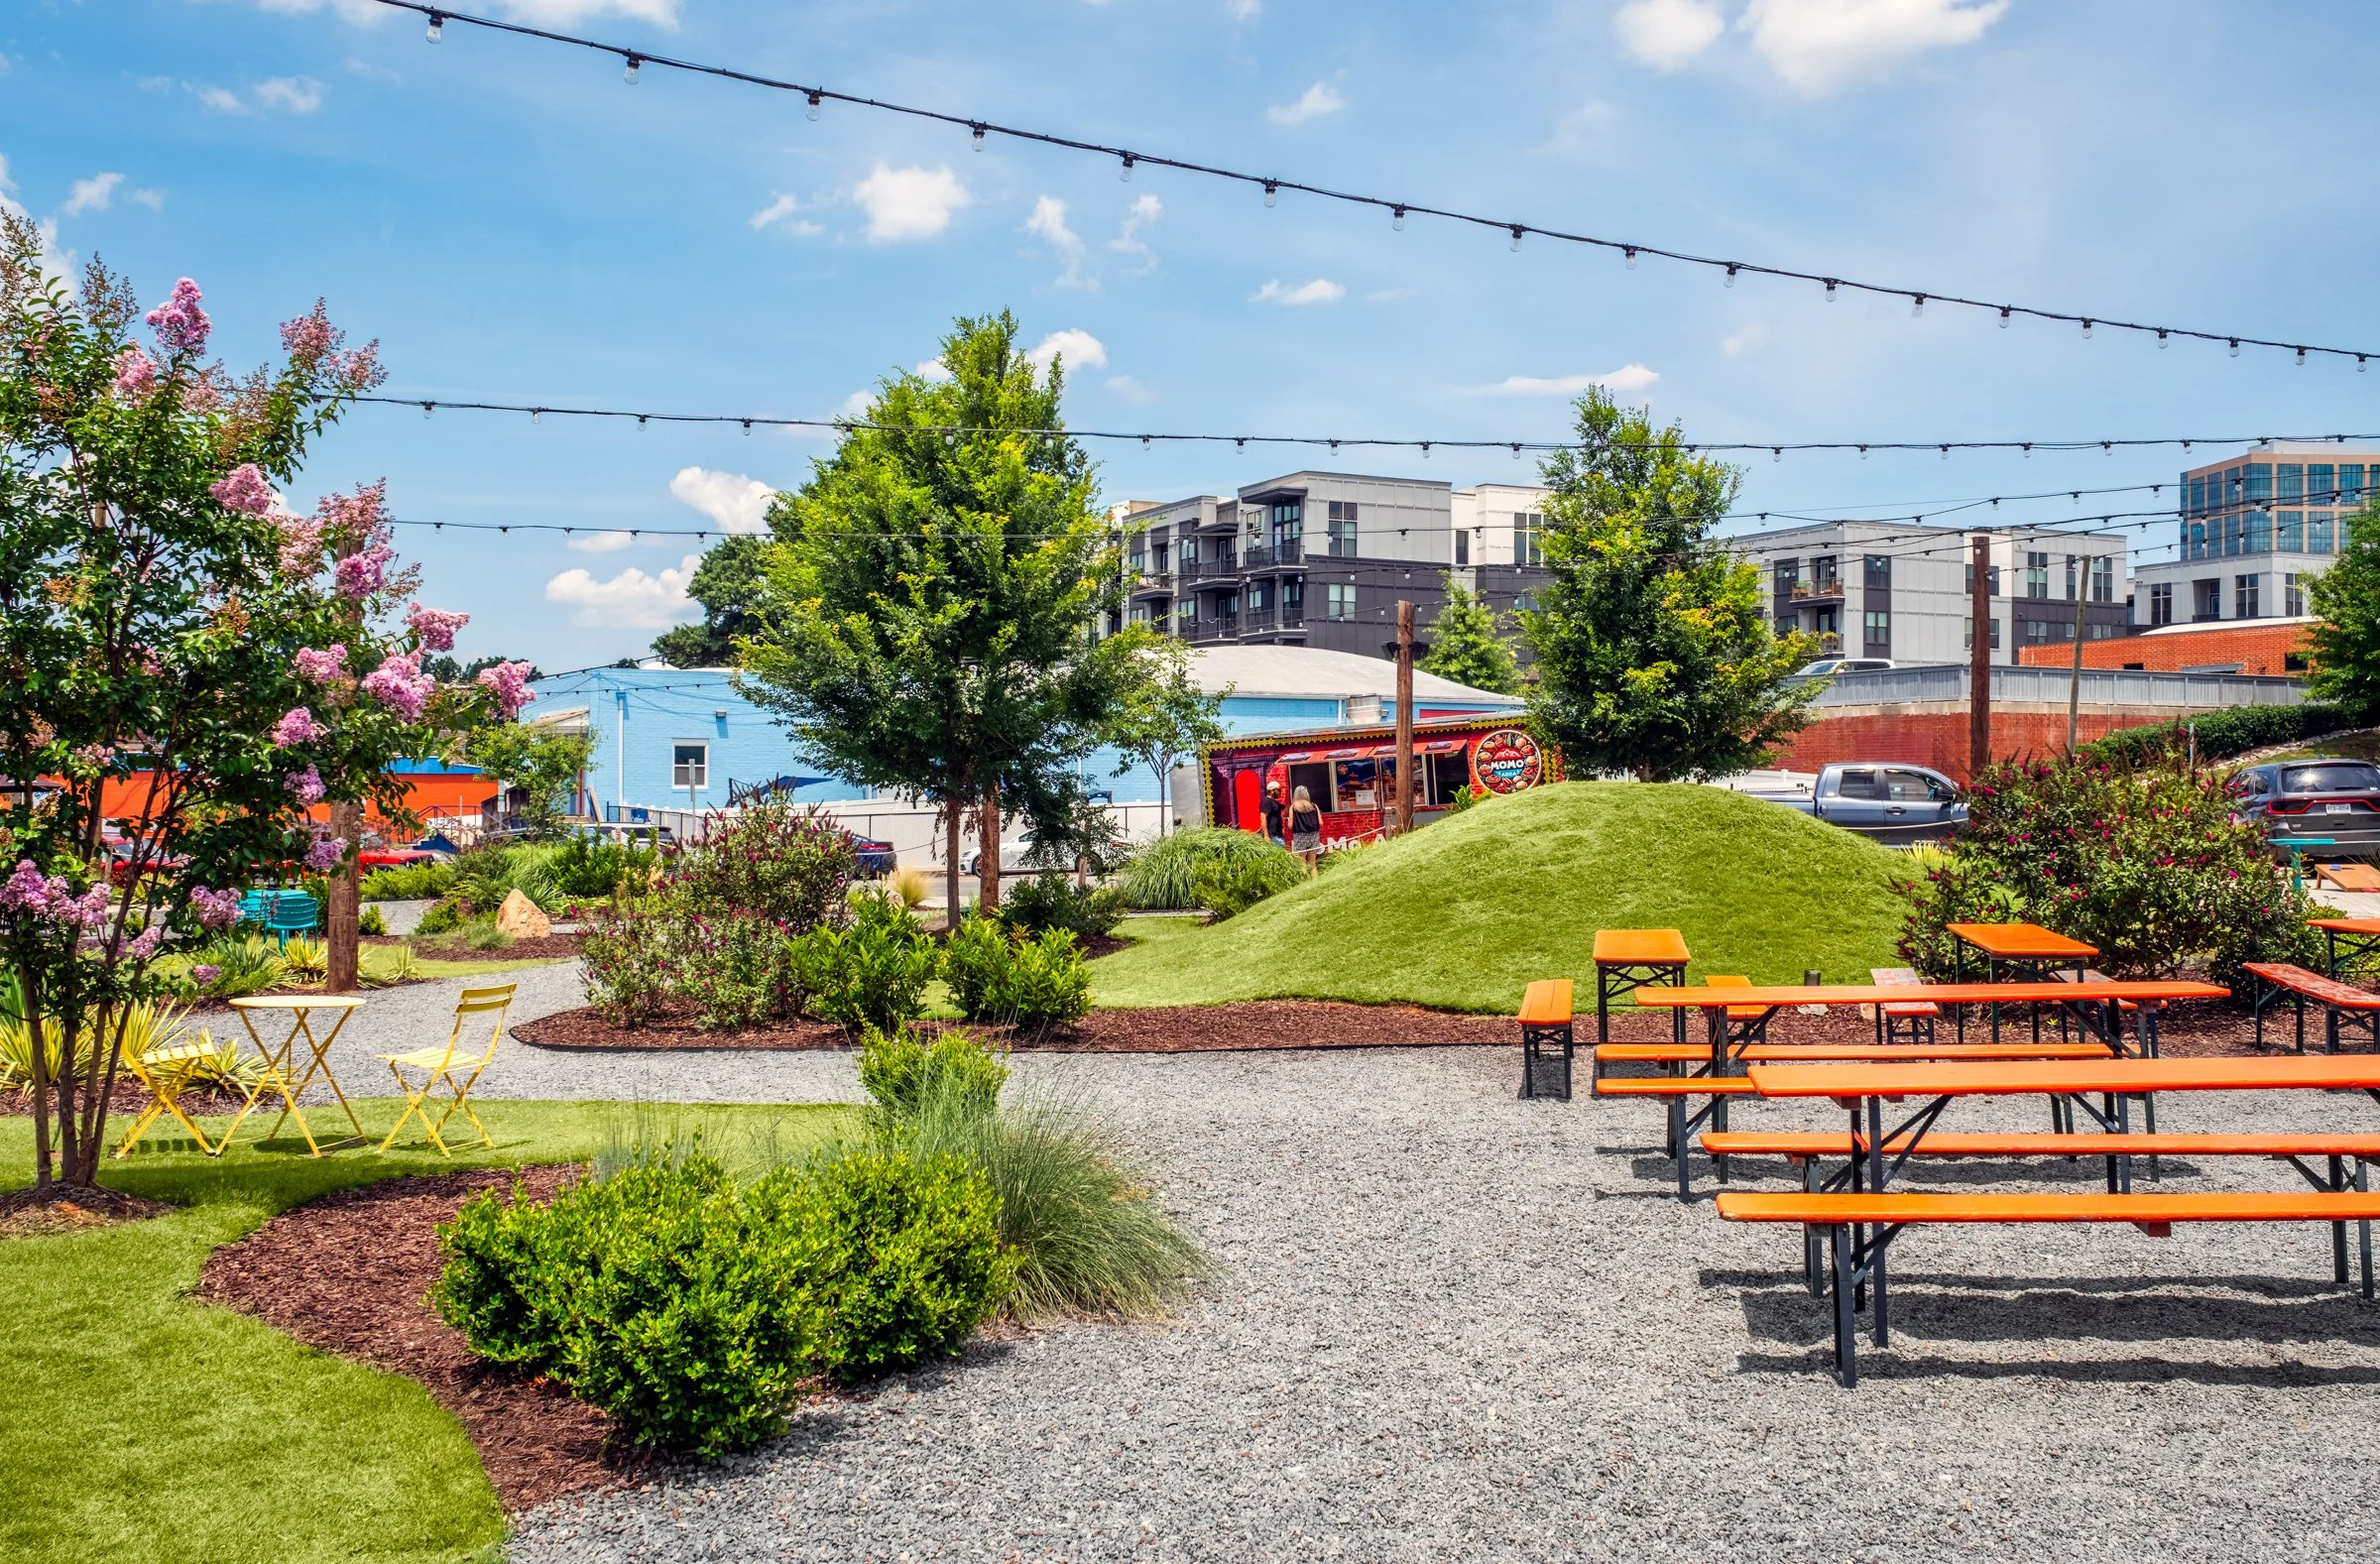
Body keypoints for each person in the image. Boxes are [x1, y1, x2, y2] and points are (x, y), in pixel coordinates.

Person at [1288, 784, 1323, 870]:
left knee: (1302, 865)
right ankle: (1315, 882)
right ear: (1307, 794)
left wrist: (1289, 820)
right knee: (1313, 865)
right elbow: (1321, 822)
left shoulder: (1293, 807)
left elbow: (1290, 826)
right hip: (1313, 836)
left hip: (1299, 837)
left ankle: (1305, 882)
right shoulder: (1314, 806)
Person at [1259, 779, 1285, 848]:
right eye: (1278, 790)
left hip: (1278, 834)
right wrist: (1266, 835)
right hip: (1272, 835)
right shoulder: (1266, 801)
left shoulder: (1275, 802)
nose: (1280, 792)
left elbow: (1285, 807)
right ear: (1272, 791)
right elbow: (1263, 817)